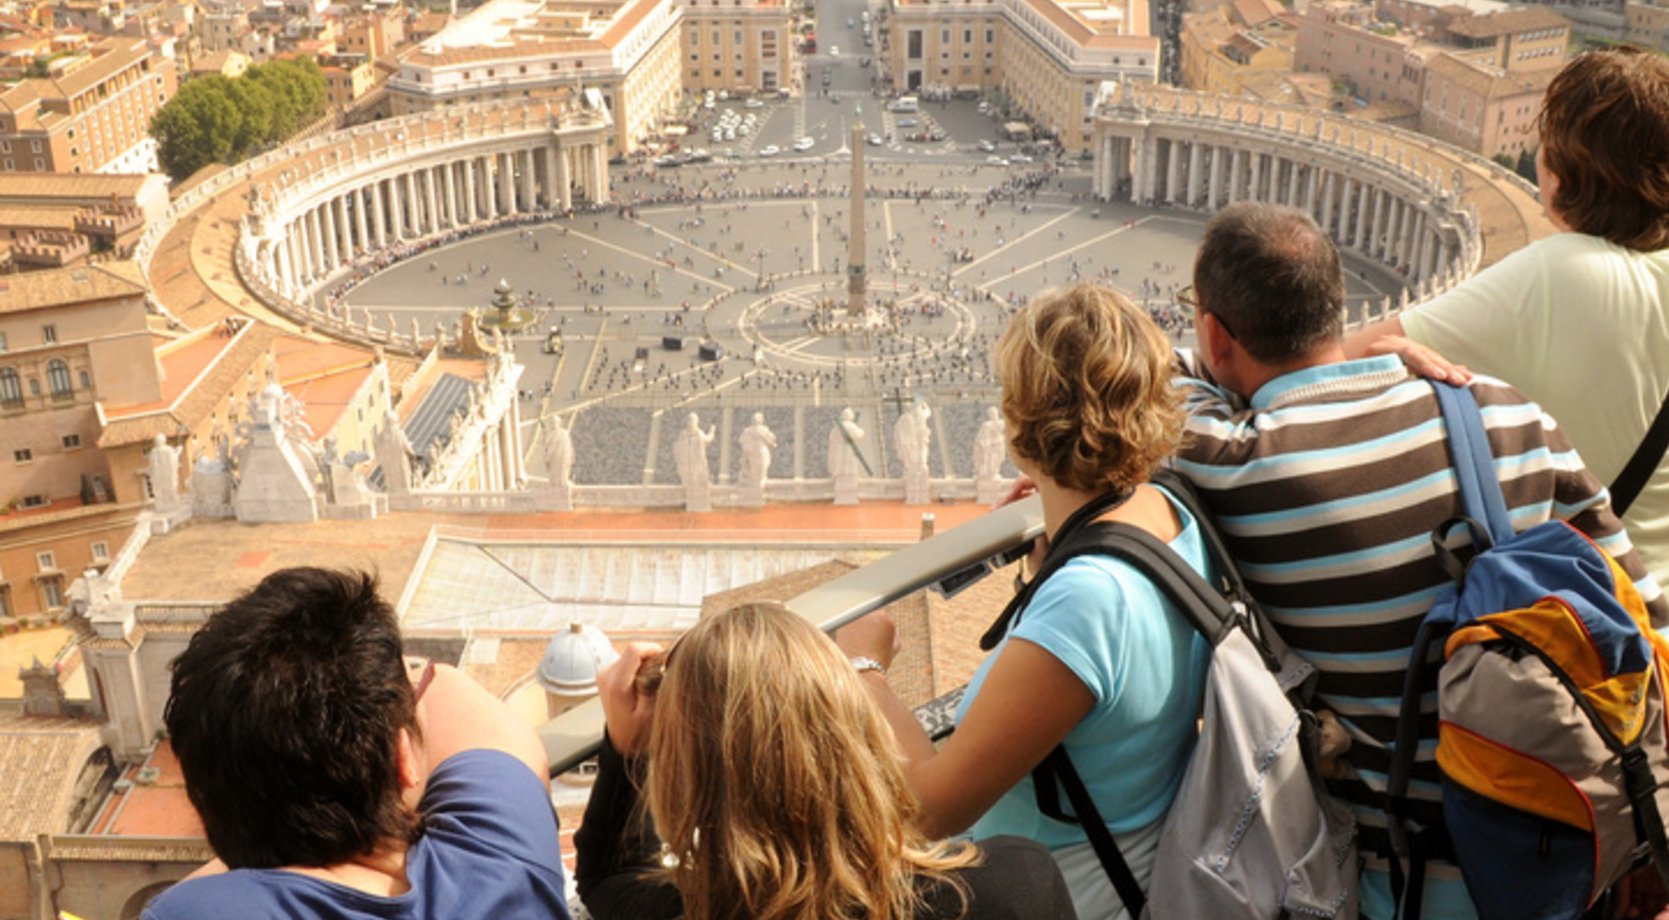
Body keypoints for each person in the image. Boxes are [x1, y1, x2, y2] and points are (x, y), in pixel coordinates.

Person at [1177, 203, 1669, 919]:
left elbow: (1138, 375)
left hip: (1403, 881)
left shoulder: (1235, 464)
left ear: (1218, 336)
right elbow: (1652, 627)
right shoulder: (1507, 412)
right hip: (1567, 849)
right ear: (1334, 309)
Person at [1352, 46, 1669, 802]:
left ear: (1562, 172)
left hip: (1621, 701)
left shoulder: (1558, 276)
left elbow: (1342, 360)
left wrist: (1407, 352)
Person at [836, 283, 1213, 919]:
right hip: (1141, 855)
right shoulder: (1170, 511)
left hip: (1070, 897)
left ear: (1018, 424)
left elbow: (929, 811)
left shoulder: (1088, 600)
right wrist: (1057, 555)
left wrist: (862, 669)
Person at [574, 602, 1074, 920]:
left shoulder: (691, 911)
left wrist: (630, 749)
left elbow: (606, 879)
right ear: (857, 736)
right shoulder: (1013, 886)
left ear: (690, 784)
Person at [142, 567, 567, 920]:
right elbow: (449, 690)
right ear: (403, 759)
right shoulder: (504, 861)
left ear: (204, 806)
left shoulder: (193, 912)